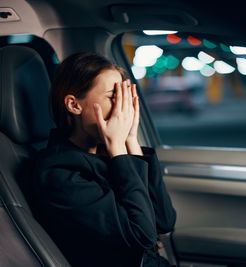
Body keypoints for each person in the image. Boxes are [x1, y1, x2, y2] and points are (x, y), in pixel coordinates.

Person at [32, 52, 176, 267]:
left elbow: (164, 221)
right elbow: (142, 237)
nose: (123, 109)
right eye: (113, 98)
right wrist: (118, 148)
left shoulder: (103, 153)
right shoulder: (59, 174)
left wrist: (130, 141)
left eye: (125, 98)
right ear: (74, 105)